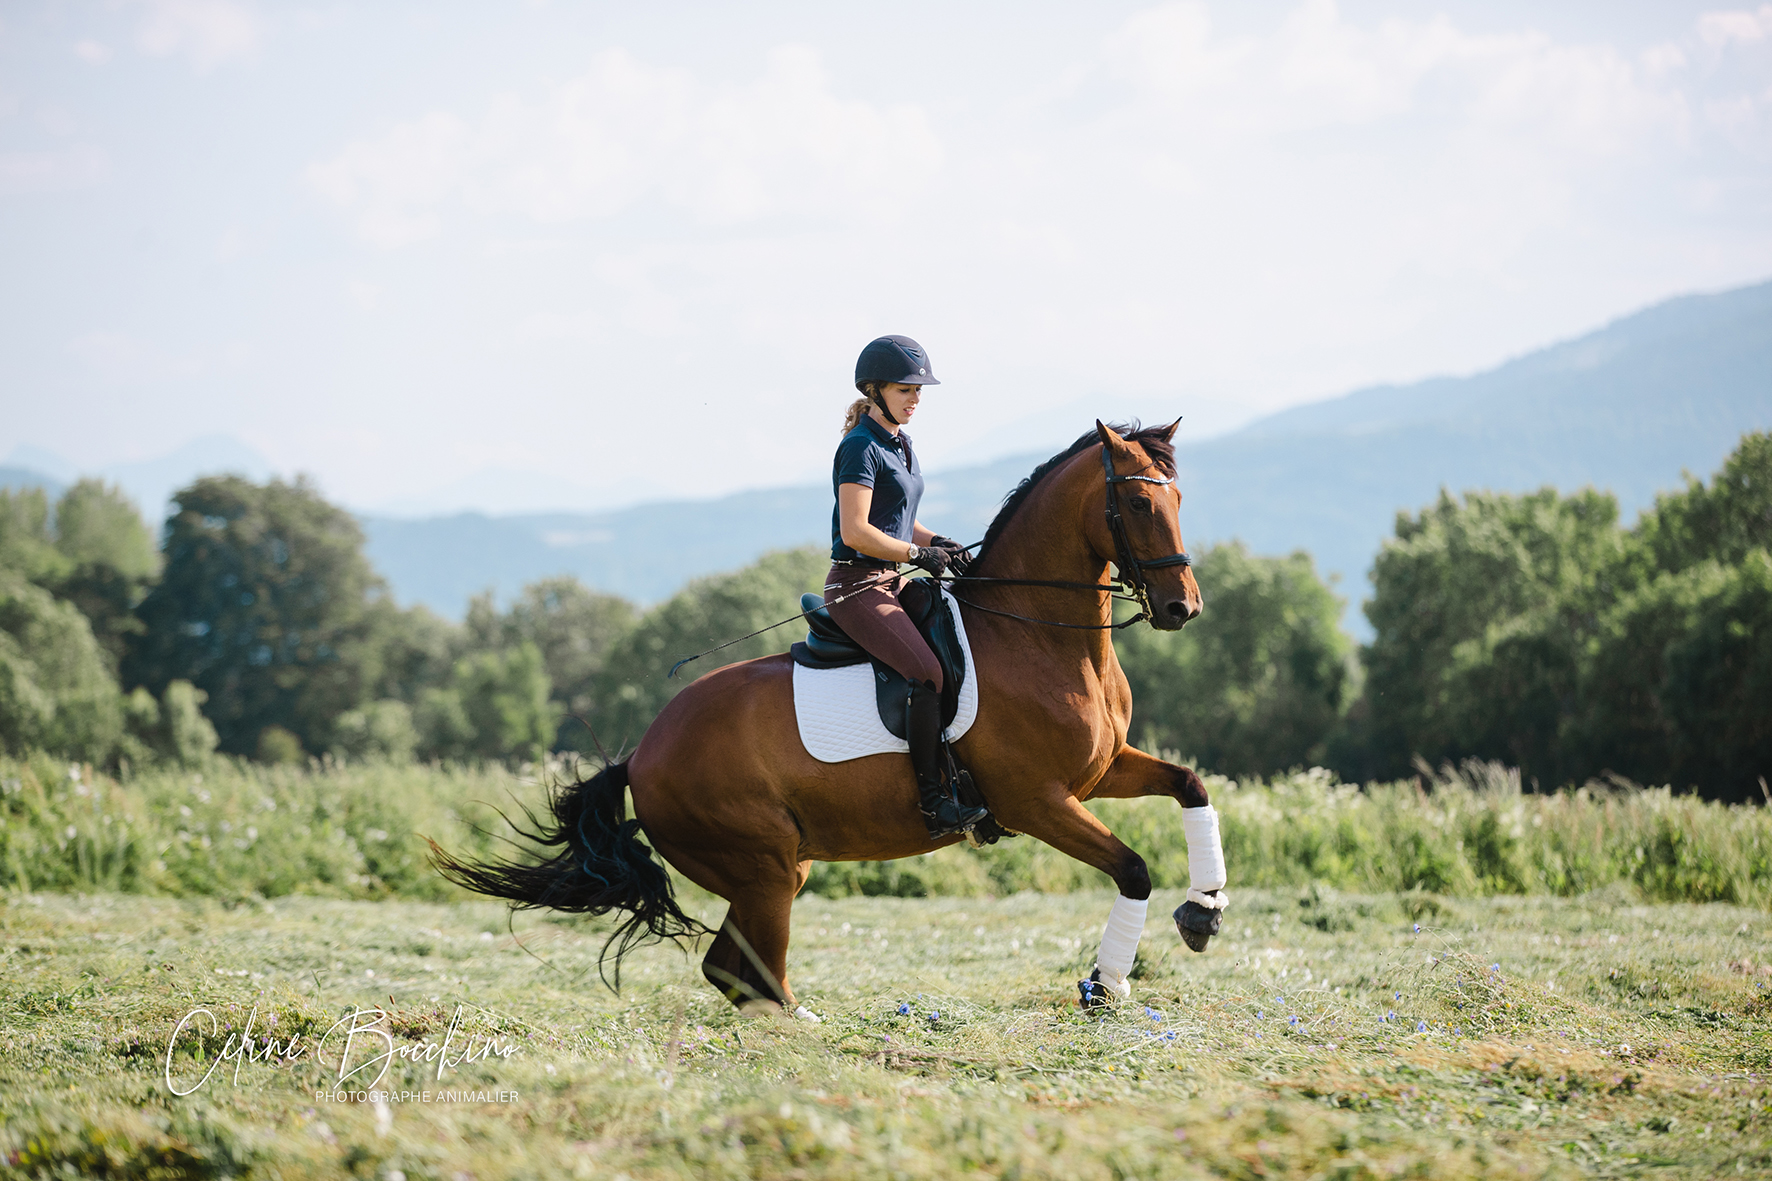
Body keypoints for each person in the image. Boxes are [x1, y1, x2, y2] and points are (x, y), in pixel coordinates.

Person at [827, 335, 990, 839]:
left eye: (919, 391)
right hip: (858, 585)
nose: (915, 399)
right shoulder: (860, 446)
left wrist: (936, 541)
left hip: (893, 580)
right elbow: (857, 530)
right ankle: (934, 802)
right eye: (905, 390)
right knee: (926, 673)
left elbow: (898, 518)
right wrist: (919, 556)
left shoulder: (900, 442)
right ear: (874, 390)